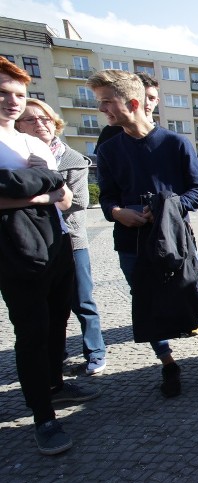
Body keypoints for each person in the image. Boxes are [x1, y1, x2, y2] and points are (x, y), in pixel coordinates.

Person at [88, 69, 198, 397]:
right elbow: (106, 198)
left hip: (177, 243)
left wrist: (167, 207)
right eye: (99, 103)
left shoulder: (176, 143)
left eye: (107, 102)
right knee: (148, 306)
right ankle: (168, 365)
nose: (102, 110)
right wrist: (119, 213)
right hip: (132, 245)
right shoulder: (108, 150)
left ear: (132, 102)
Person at [0, 58, 99, 455]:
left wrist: (28, 193)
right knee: (32, 331)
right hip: (15, 248)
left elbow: (67, 196)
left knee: (58, 320)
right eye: (4, 94)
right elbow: (52, 191)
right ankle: (42, 414)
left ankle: (55, 385)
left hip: (57, 244)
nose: (13, 102)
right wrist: (44, 190)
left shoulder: (34, 142)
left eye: (19, 95)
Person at [16, 98, 107, 376]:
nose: (40, 124)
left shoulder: (71, 159)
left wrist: (33, 192)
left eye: (45, 119)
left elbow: (76, 201)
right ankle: (56, 354)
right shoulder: (14, 157)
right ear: (18, 125)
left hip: (70, 240)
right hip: (28, 241)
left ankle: (95, 352)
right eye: (31, 119)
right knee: (44, 306)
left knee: (82, 300)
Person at [95, 72, 159, 151]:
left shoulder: (169, 138)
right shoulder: (110, 133)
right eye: (142, 96)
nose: (146, 102)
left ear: (157, 101)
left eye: (151, 98)